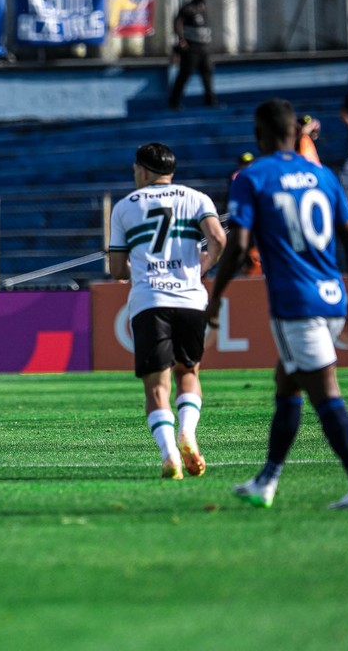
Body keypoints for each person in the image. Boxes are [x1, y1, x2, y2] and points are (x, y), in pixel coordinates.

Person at [207, 98, 348, 510]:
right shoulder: (323, 175)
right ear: (297, 133)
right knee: (287, 384)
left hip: (296, 303)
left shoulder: (253, 176)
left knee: (325, 393)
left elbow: (240, 245)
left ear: (260, 134)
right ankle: (266, 481)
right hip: (333, 297)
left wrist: (215, 296)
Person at [108, 142, 226, 479]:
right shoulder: (197, 198)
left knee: (156, 389)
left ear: (144, 171)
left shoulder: (125, 207)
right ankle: (187, 432)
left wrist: (144, 268)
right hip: (190, 299)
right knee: (188, 373)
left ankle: (170, 454)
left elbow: (117, 269)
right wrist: (202, 265)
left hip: (150, 301)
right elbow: (218, 239)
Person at [168, 0, 217, 110]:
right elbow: (178, 22)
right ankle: (174, 103)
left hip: (203, 48)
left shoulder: (203, 8)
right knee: (185, 74)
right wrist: (181, 40)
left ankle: (210, 101)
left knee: (207, 73)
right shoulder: (188, 8)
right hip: (191, 49)